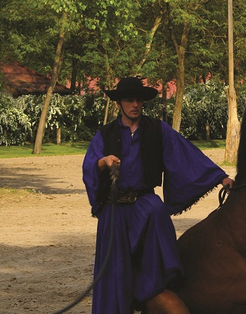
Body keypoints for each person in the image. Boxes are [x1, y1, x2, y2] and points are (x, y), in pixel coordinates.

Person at [82, 76, 234, 314]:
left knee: (156, 210)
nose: (136, 105)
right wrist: (102, 162)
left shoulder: (157, 129)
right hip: (115, 210)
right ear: (119, 103)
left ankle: (155, 293)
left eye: (139, 100)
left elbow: (185, 154)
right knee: (115, 272)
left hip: (145, 206)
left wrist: (219, 177)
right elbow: (89, 166)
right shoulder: (105, 134)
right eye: (130, 100)